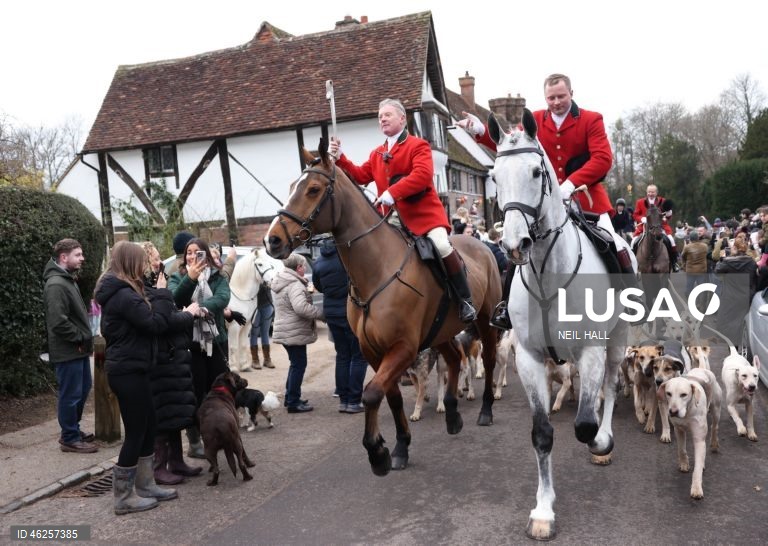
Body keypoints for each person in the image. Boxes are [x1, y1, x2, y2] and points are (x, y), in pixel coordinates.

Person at [459, 73, 635, 326]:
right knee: (518, 251)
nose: (556, 102)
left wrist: (571, 184)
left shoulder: (590, 119)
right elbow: (510, 144)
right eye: (551, 97)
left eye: (561, 96)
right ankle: (507, 308)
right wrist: (479, 130)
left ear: (571, 94)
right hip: (542, 205)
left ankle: (630, 299)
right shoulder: (536, 120)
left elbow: (602, 159)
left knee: (613, 242)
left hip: (588, 201)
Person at [330, 98, 476, 322]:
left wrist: (391, 193)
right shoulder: (377, 153)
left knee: (441, 244)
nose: (382, 119)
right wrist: (340, 158)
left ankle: (464, 300)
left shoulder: (418, 145)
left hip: (424, 217)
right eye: (380, 117)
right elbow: (359, 175)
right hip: (389, 220)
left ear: (401, 118)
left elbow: (422, 175)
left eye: (387, 115)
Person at [95, 241, 190, 514]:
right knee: (136, 432)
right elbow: (155, 324)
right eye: (140, 261)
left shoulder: (126, 291)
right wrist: (161, 294)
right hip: (127, 372)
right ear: (130, 263)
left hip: (136, 369)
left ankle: (146, 485)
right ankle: (123, 497)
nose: (145, 266)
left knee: (149, 426)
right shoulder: (123, 296)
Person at [139, 242, 203, 485]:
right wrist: (188, 315)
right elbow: (162, 318)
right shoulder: (145, 288)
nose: (159, 262)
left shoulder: (158, 280)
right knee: (163, 413)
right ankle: (159, 466)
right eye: (154, 259)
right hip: (162, 357)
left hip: (173, 354)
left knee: (175, 411)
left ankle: (176, 461)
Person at [167, 238, 231, 458]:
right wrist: (191, 279)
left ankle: (221, 431)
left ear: (206, 254)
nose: (193, 257)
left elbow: (223, 299)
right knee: (194, 393)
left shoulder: (218, 276)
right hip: (191, 345)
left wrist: (198, 309)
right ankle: (195, 440)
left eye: (198, 252)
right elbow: (175, 300)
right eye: (189, 253)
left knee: (220, 390)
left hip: (216, 341)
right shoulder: (177, 276)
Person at [43, 238, 97, 454]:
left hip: (77, 349)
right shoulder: (56, 284)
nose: (82, 258)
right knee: (71, 394)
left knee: (82, 389)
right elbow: (58, 322)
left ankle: (72, 430)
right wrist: (80, 338)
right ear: (63, 257)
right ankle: (69, 437)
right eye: (78, 254)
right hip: (69, 350)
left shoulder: (66, 279)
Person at [312, 240, 368, 414]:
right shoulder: (346, 258)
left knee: (342, 356)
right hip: (350, 311)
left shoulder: (318, 263)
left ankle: (344, 400)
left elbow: (318, 286)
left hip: (331, 312)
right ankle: (354, 400)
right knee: (359, 356)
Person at [270, 253, 321, 413]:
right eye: (303, 266)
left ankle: (291, 397)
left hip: (286, 329)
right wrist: (319, 312)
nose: (305, 269)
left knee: (295, 364)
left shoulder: (281, 279)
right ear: (298, 268)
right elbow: (301, 308)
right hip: (294, 331)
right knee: (299, 365)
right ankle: (293, 402)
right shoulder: (294, 284)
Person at [714, 236, 758, 345]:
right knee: (742, 322)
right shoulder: (752, 262)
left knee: (728, 321)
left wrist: (723, 258)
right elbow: (754, 279)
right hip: (745, 295)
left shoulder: (728, 262)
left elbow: (717, 271)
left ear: (734, 248)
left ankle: (731, 346)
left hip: (730, 296)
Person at [630, 184, 678, 268]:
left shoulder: (663, 201)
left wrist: (668, 213)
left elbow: (668, 217)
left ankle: (674, 263)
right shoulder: (640, 202)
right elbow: (635, 215)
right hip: (644, 228)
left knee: (671, 240)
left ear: (656, 193)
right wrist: (642, 219)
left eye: (652, 192)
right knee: (633, 242)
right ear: (646, 192)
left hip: (660, 227)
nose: (650, 194)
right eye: (649, 192)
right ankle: (633, 264)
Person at [250, 281, 275, 370]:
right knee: (254, 332)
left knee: (265, 332)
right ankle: (255, 360)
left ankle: (267, 359)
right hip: (254, 305)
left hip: (267, 304)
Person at [681, 232, 709, 298]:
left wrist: (684, 265)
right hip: (701, 270)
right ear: (698, 238)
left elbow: (683, 256)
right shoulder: (704, 246)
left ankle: (689, 299)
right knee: (701, 287)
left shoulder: (687, 247)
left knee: (689, 286)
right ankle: (701, 303)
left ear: (690, 238)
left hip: (690, 270)